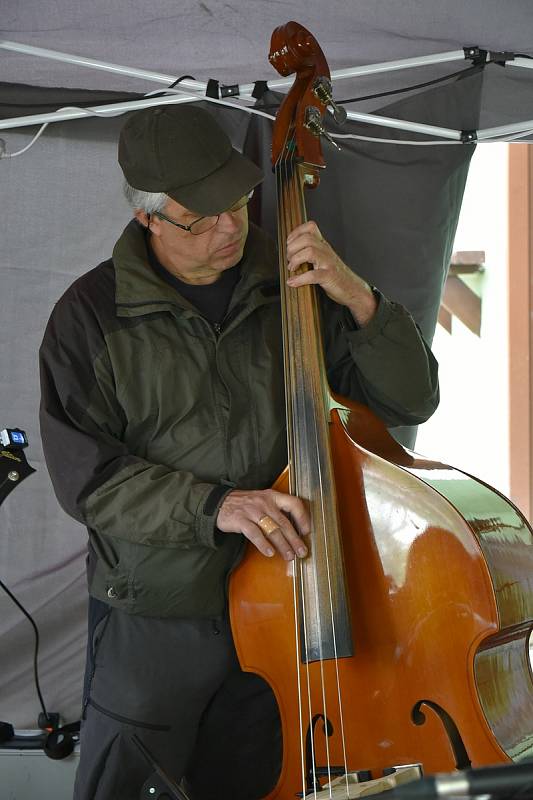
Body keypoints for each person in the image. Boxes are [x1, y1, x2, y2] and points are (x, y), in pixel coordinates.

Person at [39, 104, 439, 800]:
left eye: (239, 201)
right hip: (158, 614)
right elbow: (89, 481)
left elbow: (411, 403)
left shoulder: (302, 279)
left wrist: (359, 297)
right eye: (202, 217)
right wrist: (214, 506)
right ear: (148, 219)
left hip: (292, 600)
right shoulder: (88, 317)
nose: (231, 227)